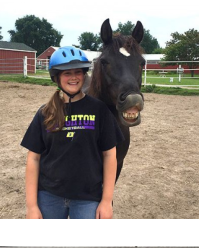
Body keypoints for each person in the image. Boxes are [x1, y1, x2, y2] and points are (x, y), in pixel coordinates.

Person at [21, 46, 124, 219]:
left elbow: (109, 156)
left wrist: (106, 201)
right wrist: (32, 206)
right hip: (49, 196)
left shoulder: (99, 110)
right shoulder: (45, 113)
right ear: (56, 77)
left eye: (78, 72)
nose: (74, 77)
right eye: (67, 73)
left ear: (84, 75)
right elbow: (33, 158)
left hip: (88, 198)